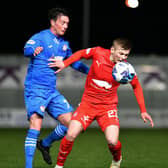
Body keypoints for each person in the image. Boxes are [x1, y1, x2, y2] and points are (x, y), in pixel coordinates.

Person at [48, 37, 154, 168]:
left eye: (126, 55)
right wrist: (65, 63)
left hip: (107, 107)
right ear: (112, 50)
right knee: (71, 133)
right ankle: (59, 166)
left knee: (112, 141)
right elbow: (81, 53)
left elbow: (136, 86)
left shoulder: (126, 69)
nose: (123, 57)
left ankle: (116, 160)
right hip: (88, 104)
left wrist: (143, 110)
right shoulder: (98, 53)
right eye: (121, 53)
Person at [23, 7, 89, 168]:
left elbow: (74, 63)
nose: (66, 26)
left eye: (67, 23)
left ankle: (45, 144)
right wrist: (33, 50)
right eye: (63, 22)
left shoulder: (64, 45)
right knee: (35, 124)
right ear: (53, 22)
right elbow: (26, 49)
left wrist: (93, 72)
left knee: (73, 124)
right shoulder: (41, 37)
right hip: (35, 89)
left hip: (51, 91)